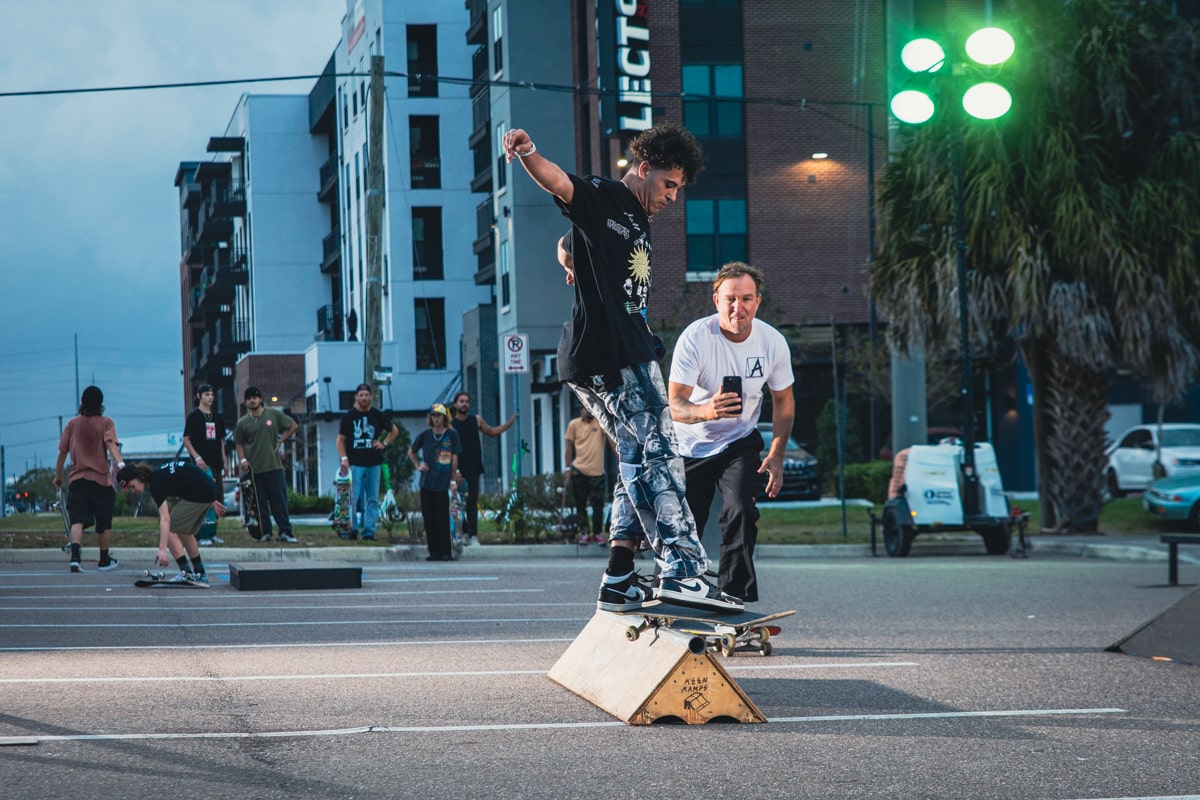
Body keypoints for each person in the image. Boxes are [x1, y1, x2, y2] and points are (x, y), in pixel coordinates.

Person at [505, 121, 741, 614]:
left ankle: (619, 577)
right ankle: (682, 570)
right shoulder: (608, 196)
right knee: (661, 453)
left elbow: (569, 244)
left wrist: (567, 256)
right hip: (618, 354)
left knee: (633, 463)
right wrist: (529, 151)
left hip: (592, 358)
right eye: (668, 185)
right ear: (643, 169)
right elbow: (560, 183)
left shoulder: (634, 220)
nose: (673, 197)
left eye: (679, 188)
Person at [668, 262, 796, 604]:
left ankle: (732, 596)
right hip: (690, 444)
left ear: (758, 302)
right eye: (730, 299)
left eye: (746, 299)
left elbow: (783, 400)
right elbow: (675, 403)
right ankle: (679, 593)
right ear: (716, 300)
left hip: (738, 441)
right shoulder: (696, 338)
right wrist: (705, 410)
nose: (738, 307)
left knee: (740, 510)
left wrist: (778, 453)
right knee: (683, 523)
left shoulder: (772, 342)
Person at [116, 460, 224, 584]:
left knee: (170, 526)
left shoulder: (156, 484)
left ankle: (186, 572)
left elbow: (165, 519)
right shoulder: (160, 475)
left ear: (139, 477)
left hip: (203, 491)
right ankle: (199, 572)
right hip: (206, 489)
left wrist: (162, 549)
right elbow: (190, 478)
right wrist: (211, 500)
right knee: (183, 530)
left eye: (132, 486)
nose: (133, 490)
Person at [54, 385, 125, 573]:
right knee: (104, 520)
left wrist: (58, 476)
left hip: (78, 479)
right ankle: (104, 559)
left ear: (82, 403)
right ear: (101, 403)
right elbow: (110, 444)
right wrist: (121, 463)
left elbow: (62, 453)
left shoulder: (72, 424)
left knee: (77, 518)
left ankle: (75, 557)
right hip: (101, 480)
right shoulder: (106, 423)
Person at [450, 391, 516, 546]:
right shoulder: (451, 426)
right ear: (455, 404)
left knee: (472, 502)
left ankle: (473, 535)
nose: (464, 404)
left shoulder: (476, 420)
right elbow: (450, 449)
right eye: (461, 401)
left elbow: (492, 432)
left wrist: (509, 423)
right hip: (458, 468)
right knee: (458, 503)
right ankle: (463, 532)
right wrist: (455, 472)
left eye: (467, 401)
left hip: (474, 466)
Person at [233, 386, 299, 543]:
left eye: (255, 397)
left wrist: (281, 440)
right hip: (254, 469)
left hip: (274, 467)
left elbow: (293, 425)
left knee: (279, 502)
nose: (252, 400)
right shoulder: (243, 423)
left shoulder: (273, 414)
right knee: (259, 503)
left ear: (260, 399)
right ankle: (265, 532)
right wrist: (243, 460)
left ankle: (285, 532)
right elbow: (239, 444)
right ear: (246, 402)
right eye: (249, 398)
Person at [336, 383, 400, 540]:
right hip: (355, 463)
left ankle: (369, 531)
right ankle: (353, 529)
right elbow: (340, 440)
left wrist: (383, 443)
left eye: (366, 395)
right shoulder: (349, 416)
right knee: (353, 498)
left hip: (374, 462)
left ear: (371, 397)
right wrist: (344, 458)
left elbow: (394, 430)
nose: (364, 398)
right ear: (356, 397)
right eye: (361, 395)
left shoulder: (377, 415)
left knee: (372, 498)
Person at [409, 403, 462, 562]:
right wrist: (418, 465)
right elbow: (412, 450)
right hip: (428, 482)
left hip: (444, 481)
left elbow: (454, 457)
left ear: (444, 417)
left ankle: (446, 550)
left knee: (443, 517)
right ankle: (434, 550)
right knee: (430, 517)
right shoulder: (425, 435)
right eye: (434, 416)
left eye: (439, 416)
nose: (436, 419)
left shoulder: (451, 435)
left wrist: (453, 480)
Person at [182, 383, 228, 545]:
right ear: (199, 396)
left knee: (217, 498)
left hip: (216, 463)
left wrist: (225, 460)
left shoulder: (217, 417)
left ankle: (212, 532)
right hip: (201, 465)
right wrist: (197, 457)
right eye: (207, 394)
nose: (210, 397)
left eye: (212, 394)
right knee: (203, 499)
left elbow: (221, 440)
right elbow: (186, 439)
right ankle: (201, 535)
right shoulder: (194, 417)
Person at [564, 404, 608, 544]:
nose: (587, 410)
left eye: (589, 407)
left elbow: (612, 442)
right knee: (580, 503)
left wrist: (620, 459)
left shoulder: (600, 422)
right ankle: (584, 532)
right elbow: (569, 448)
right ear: (580, 410)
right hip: (579, 469)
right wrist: (567, 469)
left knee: (598, 504)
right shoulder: (574, 424)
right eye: (584, 408)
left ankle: (597, 533)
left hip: (597, 471)